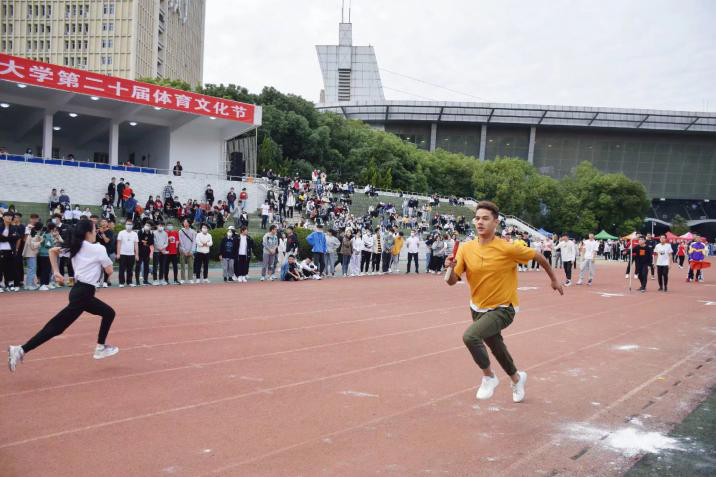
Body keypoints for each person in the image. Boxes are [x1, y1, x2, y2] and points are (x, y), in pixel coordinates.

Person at [444, 201, 563, 402]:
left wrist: (554, 279)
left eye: (485, 218)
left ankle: (489, 377)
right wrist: (449, 267)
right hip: (477, 308)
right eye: (477, 218)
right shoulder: (465, 249)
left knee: (470, 337)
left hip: (504, 308)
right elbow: (452, 281)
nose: (480, 222)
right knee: (497, 347)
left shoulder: (507, 248)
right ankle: (517, 379)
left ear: (496, 223)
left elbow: (539, 257)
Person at [7, 219, 119, 372]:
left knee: (109, 313)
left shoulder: (76, 246)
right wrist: (100, 268)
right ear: (88, 232)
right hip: (84, 293)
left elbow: (52, 251)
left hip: (79, 292)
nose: (96, 232)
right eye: (95, 230)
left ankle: (101, 347)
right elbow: (109, 270)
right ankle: (21, 349)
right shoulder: (98, 249)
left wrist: (56, 272)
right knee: (56, 327)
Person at [116, 220, 139, 288]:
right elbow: (119, 244)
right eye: (127, 224)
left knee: (130, 269)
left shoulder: (135, 234)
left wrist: (137, 254)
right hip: (122, 253)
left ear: (132, 225)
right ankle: (121, 282)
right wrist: (118, 253)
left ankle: (129, 282)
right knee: (122, 269)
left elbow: (136, 245)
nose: (129, 225)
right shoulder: (121, 232)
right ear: (125, 225)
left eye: (130, 224)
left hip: (131, 254)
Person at [178, 219, 196, 284]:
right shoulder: (180, 231)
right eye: (184, 222)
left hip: (190, 251)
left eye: (185, 222)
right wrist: (184, 250)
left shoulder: (193, 231)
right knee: (182, 265)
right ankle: (182, 279)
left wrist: (192, 251)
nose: (184, 223)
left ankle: (190, 278)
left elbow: (194, 242)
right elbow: (181, 241)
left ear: (189, 223)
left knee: (191, 265)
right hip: (183, 251)